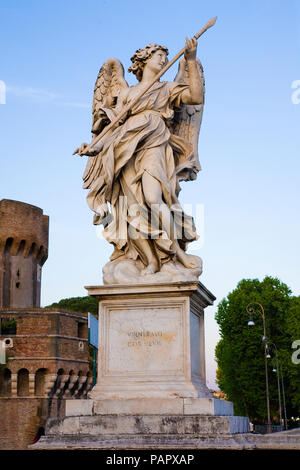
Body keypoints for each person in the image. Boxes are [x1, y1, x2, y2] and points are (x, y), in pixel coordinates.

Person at [78, 38, 203, 276]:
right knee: (130, 210)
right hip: (124, 151)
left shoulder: (166, 89)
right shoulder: (127, 94)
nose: (164, 60)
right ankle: (150, 260)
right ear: (144, 61)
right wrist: (94, 148)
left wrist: (190, 60)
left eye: (166, 57)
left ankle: (178, 254)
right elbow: (114, 127)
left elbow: (196, 97)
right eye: (159, 56)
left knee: (154, 199)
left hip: (153, 144)